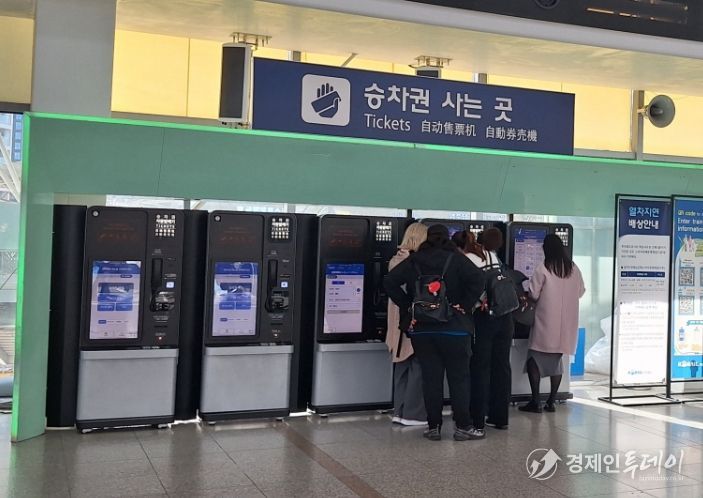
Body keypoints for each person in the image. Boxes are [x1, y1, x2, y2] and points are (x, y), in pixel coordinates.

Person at [384, 224, 485, 441]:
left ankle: (433, 427)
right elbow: (479, 279)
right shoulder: (456, 259)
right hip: (455, 328)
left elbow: (389, 281)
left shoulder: (415, 260)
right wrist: (464, 304)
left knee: (431, 379)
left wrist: (409, 306)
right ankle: (463, 426)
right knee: (459, 379)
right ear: (447, 238)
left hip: (423, 330)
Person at [455, 228, 514, 437]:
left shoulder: (468, 259)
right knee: (502, 366)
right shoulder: (493, 256)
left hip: (483, 317)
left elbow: (467, 289)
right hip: (505, 315)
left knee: (480, 367)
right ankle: (500, 417)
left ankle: (477, 419)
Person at [520, 233, 585, 413]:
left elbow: (533, 294)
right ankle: (551, 401)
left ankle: (536, 402)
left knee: (534, 360)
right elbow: (581, 291)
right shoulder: (573, 268)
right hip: (566, 324)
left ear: (546, 249)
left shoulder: (543, 268)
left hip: (546, 321)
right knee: (556, 361)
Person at [386, 222, 428, 426]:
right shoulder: (413, 263)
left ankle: (399, 410)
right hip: (410, 318)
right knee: (418, 364)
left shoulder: (396, 259)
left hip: (396, 321)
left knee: (401, 365)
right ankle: (413, 414)